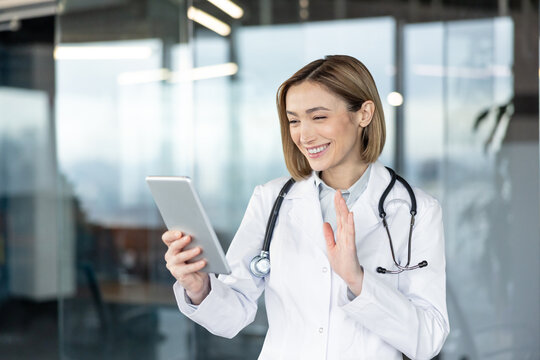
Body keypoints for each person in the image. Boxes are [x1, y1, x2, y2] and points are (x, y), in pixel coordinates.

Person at [162, 55, 449, 359]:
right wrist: (198, 287)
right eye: (294, 120)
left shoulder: (416, 211)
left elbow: (427, 339)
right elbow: (234, 315)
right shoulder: (271, 199)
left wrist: (357, 280)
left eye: (319, 117)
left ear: (364, 113)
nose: (304, 135)